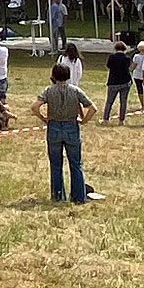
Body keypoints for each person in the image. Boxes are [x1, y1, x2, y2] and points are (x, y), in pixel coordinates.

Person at [32, 62, 96, 204]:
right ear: (68, 76)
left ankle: (58, 195)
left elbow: (34, 106)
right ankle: (79, 197)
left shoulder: (48, 90)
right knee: (76, 164)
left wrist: (43, 118)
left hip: (54, 127)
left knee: (55, 164)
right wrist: (84, 120)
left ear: (54, 76)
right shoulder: (75, 90)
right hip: (71, 127)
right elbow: (93, 108)